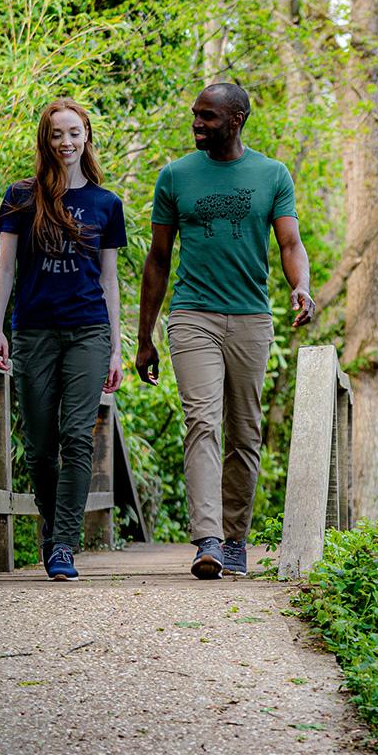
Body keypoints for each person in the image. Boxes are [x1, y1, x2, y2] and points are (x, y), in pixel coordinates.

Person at [135, 82, 314, 580]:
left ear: (236, 120)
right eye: (196, 114)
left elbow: (290, 243)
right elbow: (158, 260)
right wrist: (145, 337)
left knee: (245, 431)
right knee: (202, 422)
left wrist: (301, 286)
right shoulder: (175, 176)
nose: (197, 123)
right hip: (193, 315)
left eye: (208, 117)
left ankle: (235, 540)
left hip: (252, 318)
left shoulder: (272, 174)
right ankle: (208, 539)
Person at [0, 99, 126, 581]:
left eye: (73, 133)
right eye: (56, 134)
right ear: (45, 141)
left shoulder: (106, 204)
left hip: (88, 329)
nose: (66, 142)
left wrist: (115, 347)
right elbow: (6, 268)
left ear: (86, 136)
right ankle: (52, 528)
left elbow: (109, 280)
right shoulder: (21, 196)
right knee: (40, 448)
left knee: (76, 436)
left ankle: (64, 543)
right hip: (34, 331)